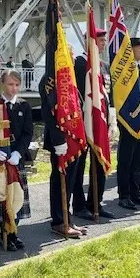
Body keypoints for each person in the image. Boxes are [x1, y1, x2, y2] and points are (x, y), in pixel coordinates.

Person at [0, 70, 32, 250]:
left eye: (17, 85)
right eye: (11, 84)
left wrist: (19, 153)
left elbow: (27, 133)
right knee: (1, 196)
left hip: (16, 159)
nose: (14, 88)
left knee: (16, 196)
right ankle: (4, 232)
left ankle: (14, 233)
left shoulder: (24, 106)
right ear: (3, 84)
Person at [72, 28, 116, 220]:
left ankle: (96, 202)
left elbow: (108, 94)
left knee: (99, 163)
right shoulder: (79, 64)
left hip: (101, 121)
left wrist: (111, 118)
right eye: (99, 39)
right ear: (88, 41)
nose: (103, 43)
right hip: (83, 121)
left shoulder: (104, 65)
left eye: (104, 40)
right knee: (79, 166)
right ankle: (79, 206)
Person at [39, 72, 83, 238]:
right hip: (59, 139)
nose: (70, 58)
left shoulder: (70, 77)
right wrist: (58, 139)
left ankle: (67, 219)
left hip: (72, 137)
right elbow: (47, 112)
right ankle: (58, 221)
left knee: (70, 179)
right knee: (59, 179)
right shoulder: (49, 79)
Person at [117, 37, 140, 210]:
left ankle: (135, 193)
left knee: (139, 159)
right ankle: (124, 195)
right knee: (126, 159)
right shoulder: (126, 71)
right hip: (128, 120)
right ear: (131, 49)